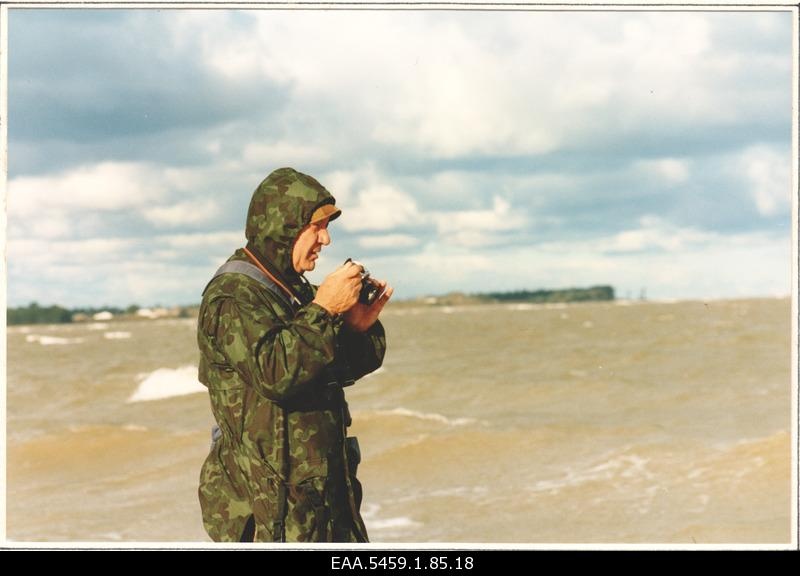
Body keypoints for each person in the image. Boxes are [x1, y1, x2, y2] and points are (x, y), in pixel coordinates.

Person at [197, 167, 392, 542]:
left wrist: (357, 327)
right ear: (283, 226)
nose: (327, 239)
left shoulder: (292, 290)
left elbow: (336, 366)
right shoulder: (233, 295)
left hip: (322, 504)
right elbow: (276, 373)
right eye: (316, 227)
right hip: (270, 514)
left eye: (328, 226)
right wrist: (324, 311)